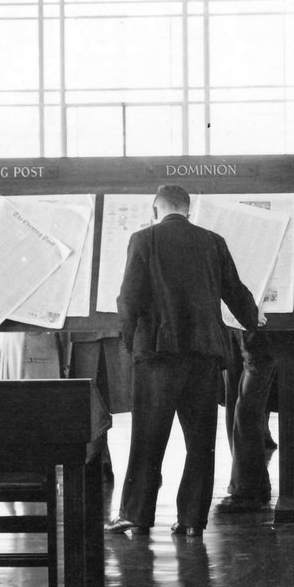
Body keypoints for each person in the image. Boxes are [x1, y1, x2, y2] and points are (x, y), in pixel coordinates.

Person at [106, 184, 263, 537]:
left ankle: (136, 514)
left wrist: (130, 342)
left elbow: (128, 297)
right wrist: (252, 318)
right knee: (200, 442)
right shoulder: (213, 241)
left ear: (155, 210)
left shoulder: (143, 239)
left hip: (157, 355)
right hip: (204, 355)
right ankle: (192, 520)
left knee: (147, 438)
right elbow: (234, 289)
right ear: (188, 210)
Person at [217, 327, 278, 513]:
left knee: (246, 409)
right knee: (235, 402)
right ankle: (252, 486)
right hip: (231, 320)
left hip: (253, 323)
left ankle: (247, 490)